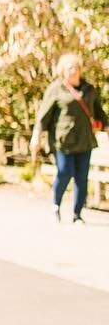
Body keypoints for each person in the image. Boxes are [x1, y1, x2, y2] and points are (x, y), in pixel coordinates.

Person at [33, 52, 106, 225]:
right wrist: (37, 134)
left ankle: (77, 213)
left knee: (82, 176)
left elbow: (98, 111)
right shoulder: (56, 88)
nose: (73, 70)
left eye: (76, 67)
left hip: (85, 140)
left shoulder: (88, 89)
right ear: (63, 70)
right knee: (65, 172)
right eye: (69, 67)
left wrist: (106, 126)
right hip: (62, 140)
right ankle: (56, 205)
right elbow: (44, 115)